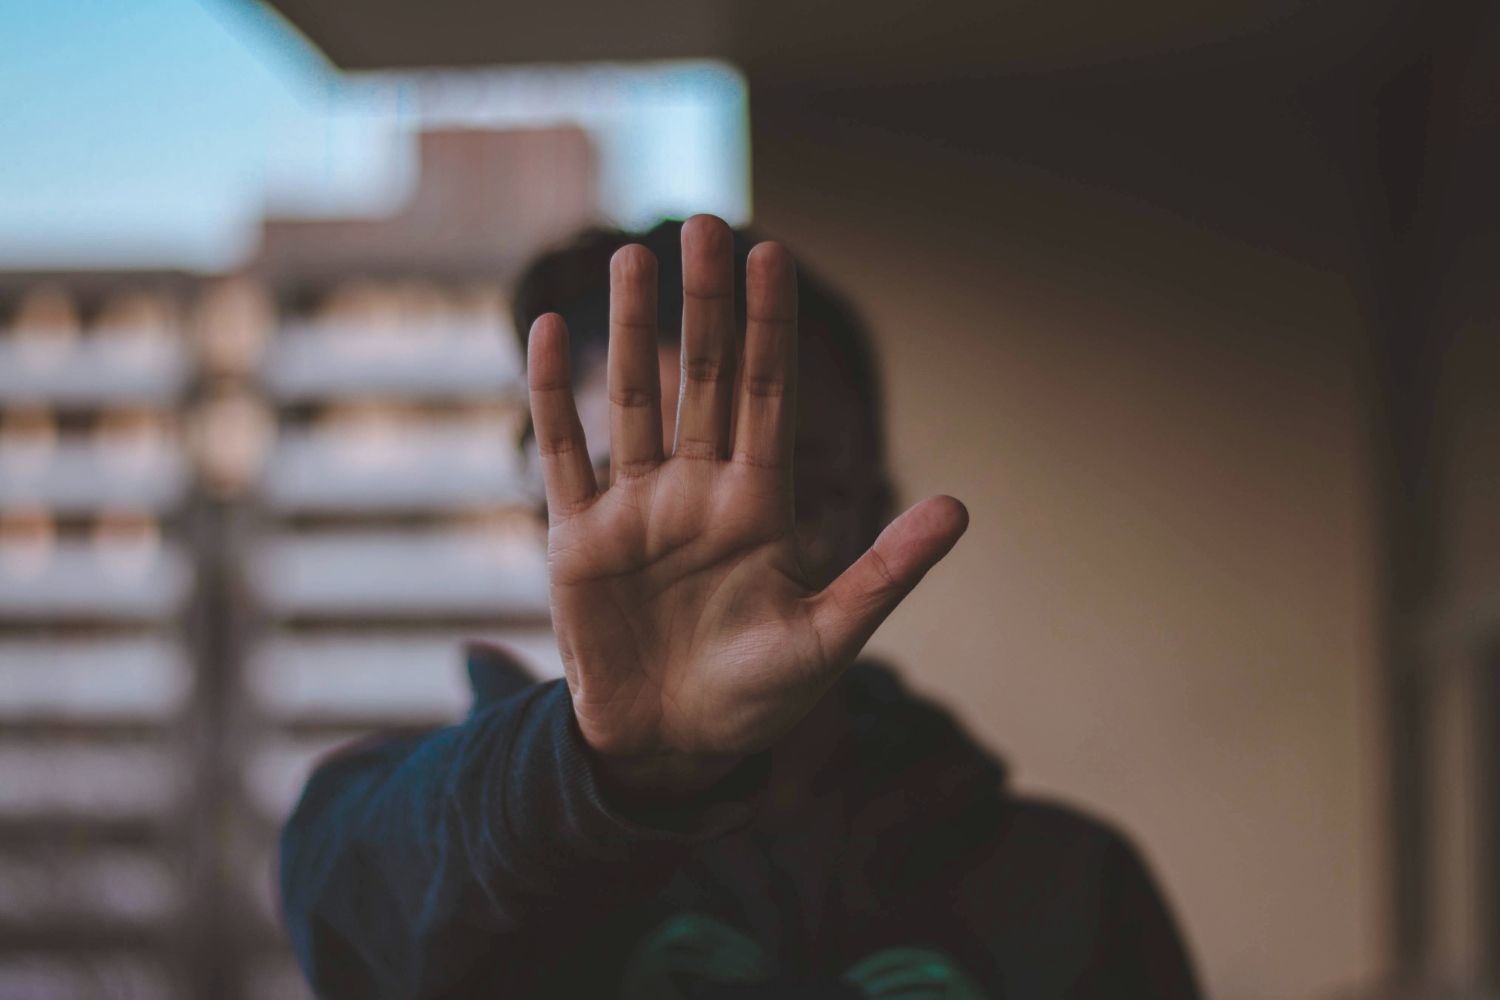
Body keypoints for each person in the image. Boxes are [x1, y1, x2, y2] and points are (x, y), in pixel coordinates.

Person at [279, 215, 1201, 999]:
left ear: (874, 501)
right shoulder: (454, 849)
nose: (701, 539)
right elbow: (346, 908)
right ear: (544, 524)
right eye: (630, 484)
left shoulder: (1066, 889)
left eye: (777, 475)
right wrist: (616, 771)